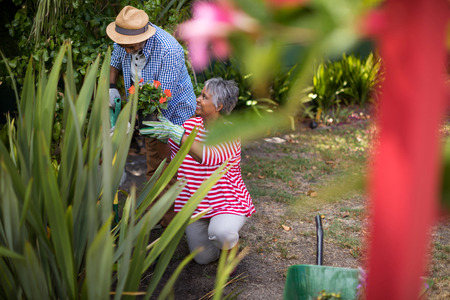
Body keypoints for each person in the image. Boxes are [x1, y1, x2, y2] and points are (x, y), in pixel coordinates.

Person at [141, 78, 255, 265]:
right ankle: (218, 243)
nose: (198, 99)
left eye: (204, 97)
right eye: (200, 95)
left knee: (221, 233)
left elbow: (207, 156)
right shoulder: (190, 126)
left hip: (226, 202)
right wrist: (155, 131)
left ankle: (230, 249)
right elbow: (173, 154)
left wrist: (177, 134)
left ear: (218, 106)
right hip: (196, 204)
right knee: (203, 258)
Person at [106, 5, 196, 227]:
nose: (127, 51)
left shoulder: (168, 50)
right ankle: (156, 212)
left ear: (144, 36)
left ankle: (169, 225)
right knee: (154, 164)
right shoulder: (125, 37)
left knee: (168, 167)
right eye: (123, 45)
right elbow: (115, 60)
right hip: (143, 108)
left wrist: (128, 122)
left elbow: (159, 100)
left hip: (172, 113)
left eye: (132, 46)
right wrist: (111, 86)